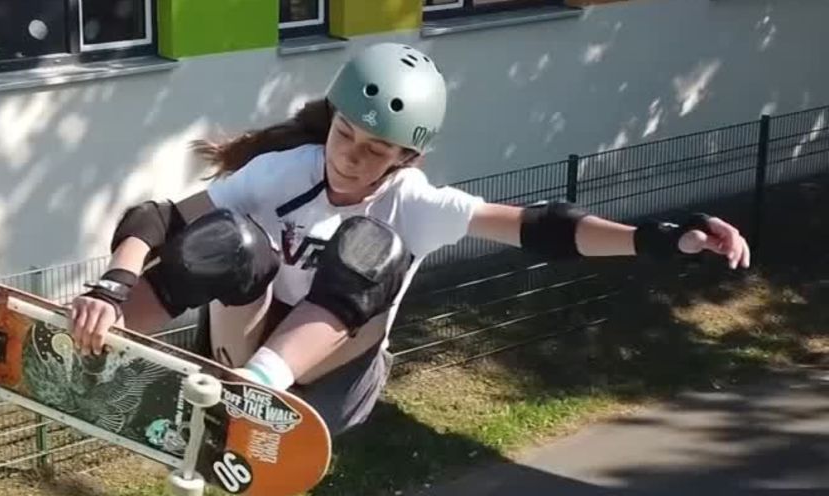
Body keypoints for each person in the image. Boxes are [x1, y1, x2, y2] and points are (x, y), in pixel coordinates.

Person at [69, 42, 751, 437]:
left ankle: (262, 391)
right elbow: (159, 217)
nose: (352, 159)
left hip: (336, 374)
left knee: (371, 247)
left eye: (376, 151)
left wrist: (662, 239)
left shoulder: (417, 203)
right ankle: (90, 342)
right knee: (233, 239)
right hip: (242, 341)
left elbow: (544, 229)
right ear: (330, 121)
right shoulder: (282, 171)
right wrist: (113, 282)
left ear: (404, 159)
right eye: (345, 136)